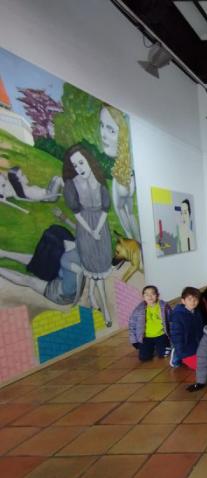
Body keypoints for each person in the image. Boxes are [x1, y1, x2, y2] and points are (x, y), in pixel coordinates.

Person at [62, 144, 113, 326]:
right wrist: (91, 231)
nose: (79, 168)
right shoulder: (72, 184)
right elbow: (76, 213)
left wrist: (98, 229)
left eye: (81, 163)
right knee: (93, 267)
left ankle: (91, 294)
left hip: (101, 228)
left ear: (89, 161)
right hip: (85, 229)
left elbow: (106, 209)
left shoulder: (100, 182)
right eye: (75, 165)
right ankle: (105, 311)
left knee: (100, 266)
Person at [0, 226, 84, 306]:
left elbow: (70, 289)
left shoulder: (67, 260)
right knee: (40, 259)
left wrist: (76, 298)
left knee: (29, 280)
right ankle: (3, 253)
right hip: (62, 276)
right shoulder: (75, 246)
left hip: (61, 294)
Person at [100, 105, 139, 241]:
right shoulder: (129, 156)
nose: (103, 135)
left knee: (120, 209)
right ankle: (138, 240)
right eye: (102, 125)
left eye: (111, 130)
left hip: (121, 178)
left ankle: (131, 238)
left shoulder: (122, 158)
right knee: (130, 212)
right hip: (129, 178)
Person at [128, 285, 171, 362]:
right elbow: (132, 325)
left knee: (163, 354)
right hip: (146, 337)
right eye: (147, 294)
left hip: (161, 335)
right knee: (144, 358)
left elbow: (171, 321)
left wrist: (172, 336)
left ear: (157, 295)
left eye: (152, 294)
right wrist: (134, 341)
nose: (150, 296)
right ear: (143, 297)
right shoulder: (139, 309)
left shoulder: (164, 307)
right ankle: (152, 347)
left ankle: (164, 345)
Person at [170, 287, 204, 368]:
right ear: (183, 301)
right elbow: (176, 336)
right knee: (201, 366)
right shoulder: (178, 315)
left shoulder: (197, 312)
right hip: (184, 348)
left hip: (196, 345)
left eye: (195, 300)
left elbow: (200, 331)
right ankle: (176, 356)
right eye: (189, 299)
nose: (193, 302)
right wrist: (181, 352)